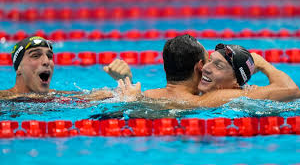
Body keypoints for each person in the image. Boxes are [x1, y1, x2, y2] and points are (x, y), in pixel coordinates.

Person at [109, 36, 300, 107]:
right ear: (198, 66)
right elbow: (291, 90)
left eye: (216, 64)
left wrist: (125, 91)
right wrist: (262, 63)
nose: (207, 68)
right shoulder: (218, 99)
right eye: (208, 61)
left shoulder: (144, 94)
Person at [0, 36, 114, 101]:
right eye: (35, 55)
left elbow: (108, 96)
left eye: (49, 56)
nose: (46, 61)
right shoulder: (3, 98)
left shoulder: (57, 96)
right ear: (19, 67)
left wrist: (125, 80)